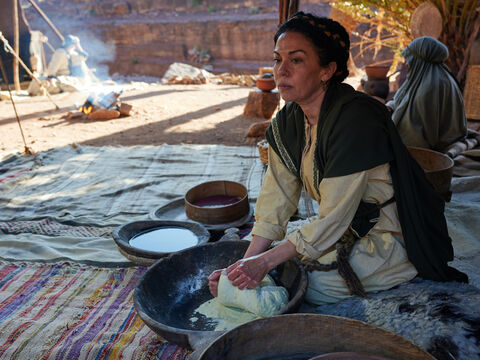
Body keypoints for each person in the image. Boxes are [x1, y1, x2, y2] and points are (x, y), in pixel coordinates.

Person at [208, 12, 467, 305]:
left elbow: (333, 218)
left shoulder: (356, 120)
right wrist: (244, 265)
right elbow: (275, 199)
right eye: (277, 59)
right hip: (340, 228)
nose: (281, 71)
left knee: (312, 285)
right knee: (281, 266)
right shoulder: (288, 121)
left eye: (296, 60)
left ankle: (400, 267)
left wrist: (264, 264)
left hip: (383, 234)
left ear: (326, 70)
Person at [386, 36, 467, 152]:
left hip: (428, 146)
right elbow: (402, 100)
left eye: (410, 59)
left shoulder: (431, 86)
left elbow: (417, 135)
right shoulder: (421, 76)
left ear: (421, 60)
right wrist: (391, 106)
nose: (407, 64)